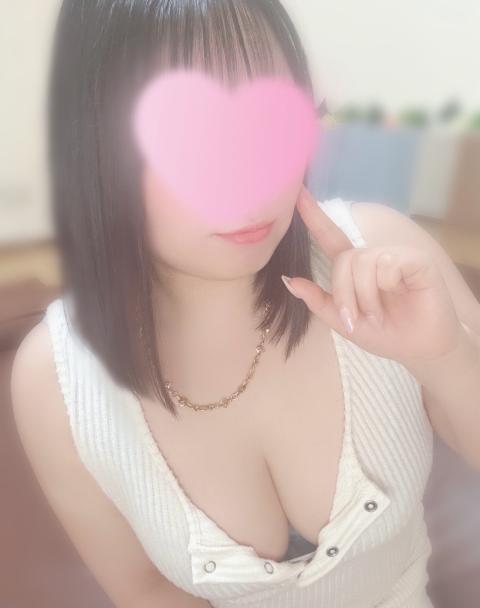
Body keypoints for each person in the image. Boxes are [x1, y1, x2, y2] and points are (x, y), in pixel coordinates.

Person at [11, 1, 480, 607]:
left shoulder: (386, 259)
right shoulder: (56, 383)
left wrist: (446, 359)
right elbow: (145, 591)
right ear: (94, 147)